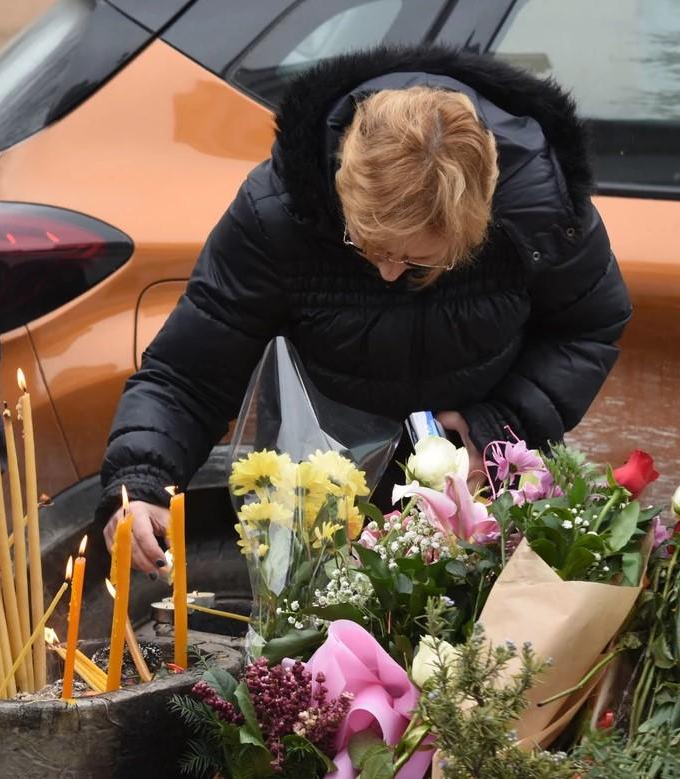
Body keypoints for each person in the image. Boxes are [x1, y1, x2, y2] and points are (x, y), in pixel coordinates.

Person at [98, 46, 631, 574]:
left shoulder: (539, 214)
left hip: (476, 488)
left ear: (478, 222)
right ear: (341, 189)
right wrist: (142, 482)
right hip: (319, 494)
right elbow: (190, 372)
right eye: (369, 247)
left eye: (420, 259)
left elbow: (586, 327)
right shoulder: (279, 213)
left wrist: (501, 427)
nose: (390, 274)